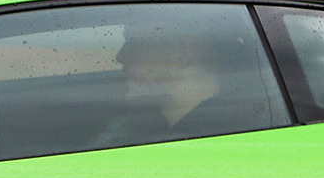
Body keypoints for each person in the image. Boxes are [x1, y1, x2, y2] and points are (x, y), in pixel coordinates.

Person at [96, 26, 265, 147]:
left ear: (181, 52)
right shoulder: (240, 127)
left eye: (133, 42)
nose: (120, 56)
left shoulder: (199, 147)